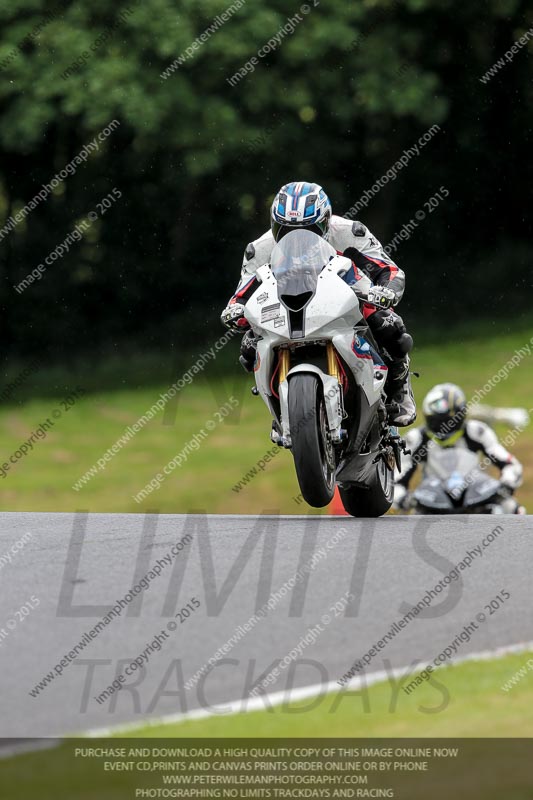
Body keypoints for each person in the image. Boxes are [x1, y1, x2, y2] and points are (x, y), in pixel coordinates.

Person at [220, 181, 416, 427]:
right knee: (249, 346)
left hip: (345, 291)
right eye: (285, 230)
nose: (297, 239)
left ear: (325, 221)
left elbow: (389, 270)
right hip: (284, 303)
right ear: (274, 225)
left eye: (308, 230)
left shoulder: (349, 232)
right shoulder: (259, 249)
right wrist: (235, 310)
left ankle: (400, 387)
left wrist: (385, 291)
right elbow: (242, 293)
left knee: (389, 324)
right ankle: (281, 402)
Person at [393, 382, 524, 513]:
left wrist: (507, 483)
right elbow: (397, 478)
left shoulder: (477, 431)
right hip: (432, 501)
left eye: (447, 421)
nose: (443, 427)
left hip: (477, 496)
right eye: (437, 421)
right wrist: (403, 498)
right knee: (410, 516)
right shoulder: (416, 438)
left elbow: (509, 464)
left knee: (511, 506)